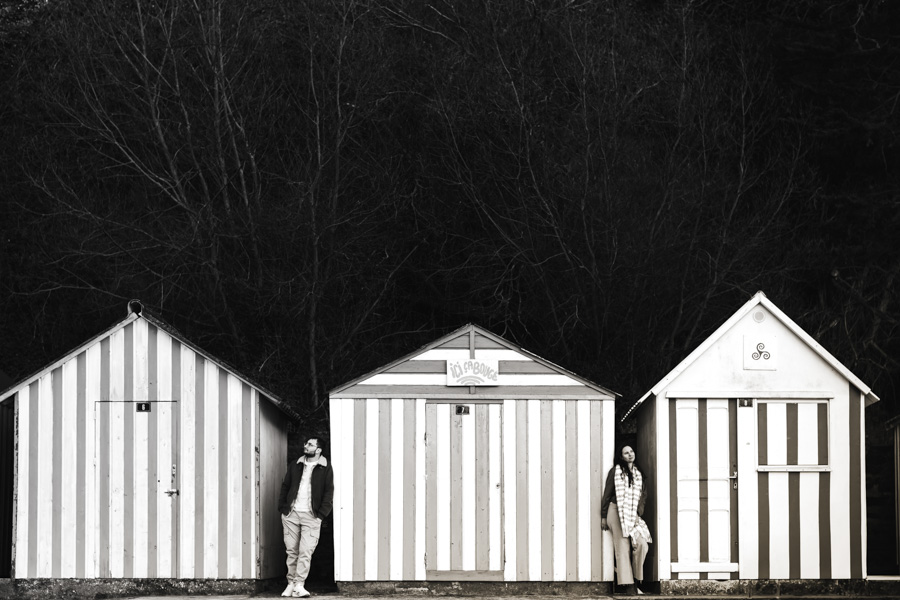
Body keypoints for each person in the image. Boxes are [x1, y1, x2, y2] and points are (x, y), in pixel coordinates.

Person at [279, 438, 334, 598]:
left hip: (312, 516)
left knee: (305, 551)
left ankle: (299, 584)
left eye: (310, 444)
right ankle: (291, 584)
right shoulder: (295, 464)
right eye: (305, 443)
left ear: (318, 450)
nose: (305, 446)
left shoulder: (325, 467)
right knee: (291, 551)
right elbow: (285, 486)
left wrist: (321, 516)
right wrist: (283, 507)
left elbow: (328, 493)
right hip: (291, 514)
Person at [601, 444, 651, 595]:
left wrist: (637, 512)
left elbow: (643, 497)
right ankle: (628, 586)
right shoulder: (616, 471)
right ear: (621, 456)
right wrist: (603, 516)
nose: (630, 454)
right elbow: (607, 494)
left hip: (632, 514)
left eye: (631, 451)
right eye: (626, 453)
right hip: (615, 510)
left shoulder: (638, 473)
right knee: (623, 547)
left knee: (642, 544)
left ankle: (635, 579)